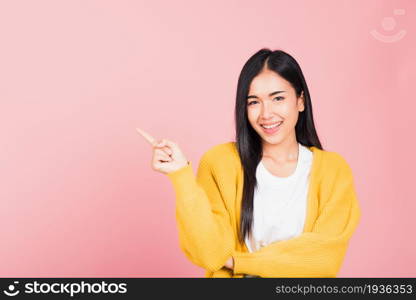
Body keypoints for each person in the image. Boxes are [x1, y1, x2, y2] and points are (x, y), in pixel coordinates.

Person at [137, 48, 361, 278]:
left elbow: (324, 260)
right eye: (254, 102)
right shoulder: (220, 162)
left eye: (278, 98)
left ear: (300, 101)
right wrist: (181, 176)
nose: (266, 114)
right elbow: (208, 253)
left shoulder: (334, 170)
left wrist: (237, 261)